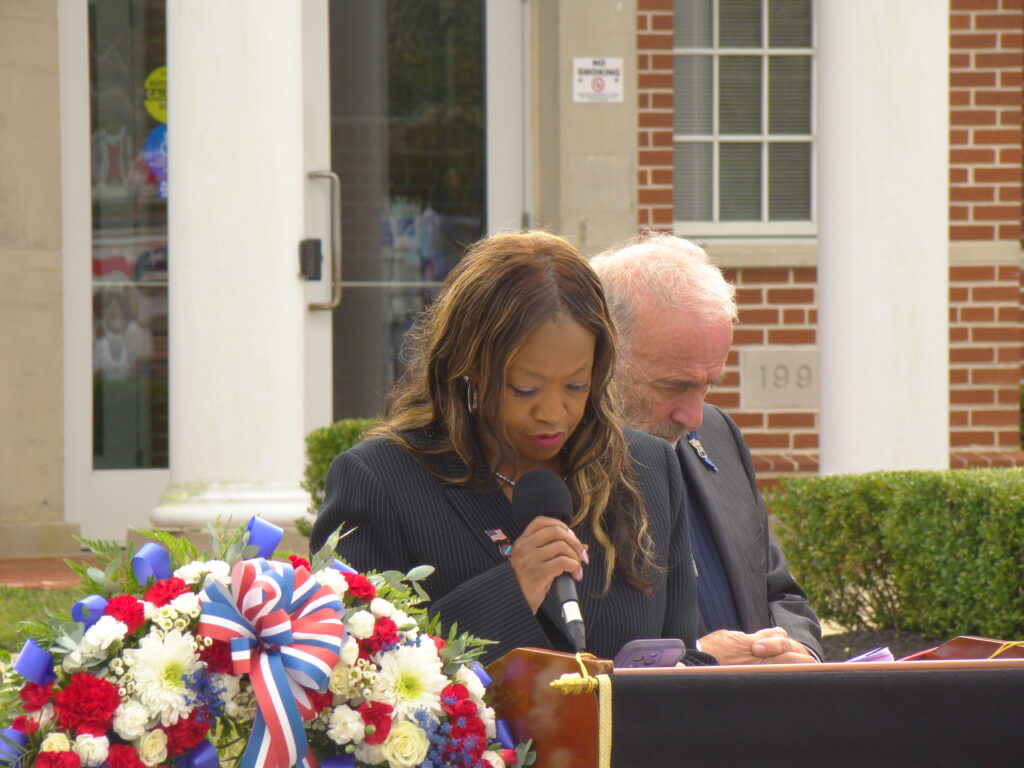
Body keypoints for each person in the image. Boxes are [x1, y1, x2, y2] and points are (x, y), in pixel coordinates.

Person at [310, 231, 710, 665]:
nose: (553, 413)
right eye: (525, 389)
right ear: (469, 368)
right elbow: (354, 669)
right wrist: (512, 590)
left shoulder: (648, 469)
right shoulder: (380, 482)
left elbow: (683, 656)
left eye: (576, 386)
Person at [591, 233, 823, 664]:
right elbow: (563, 651)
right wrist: (696, 658)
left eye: (708, 385)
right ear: (600, 355)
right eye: (673, 386)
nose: (694, 417)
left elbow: (777, 589)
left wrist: (797, 651)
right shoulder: (557, 469)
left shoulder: (718, 434)